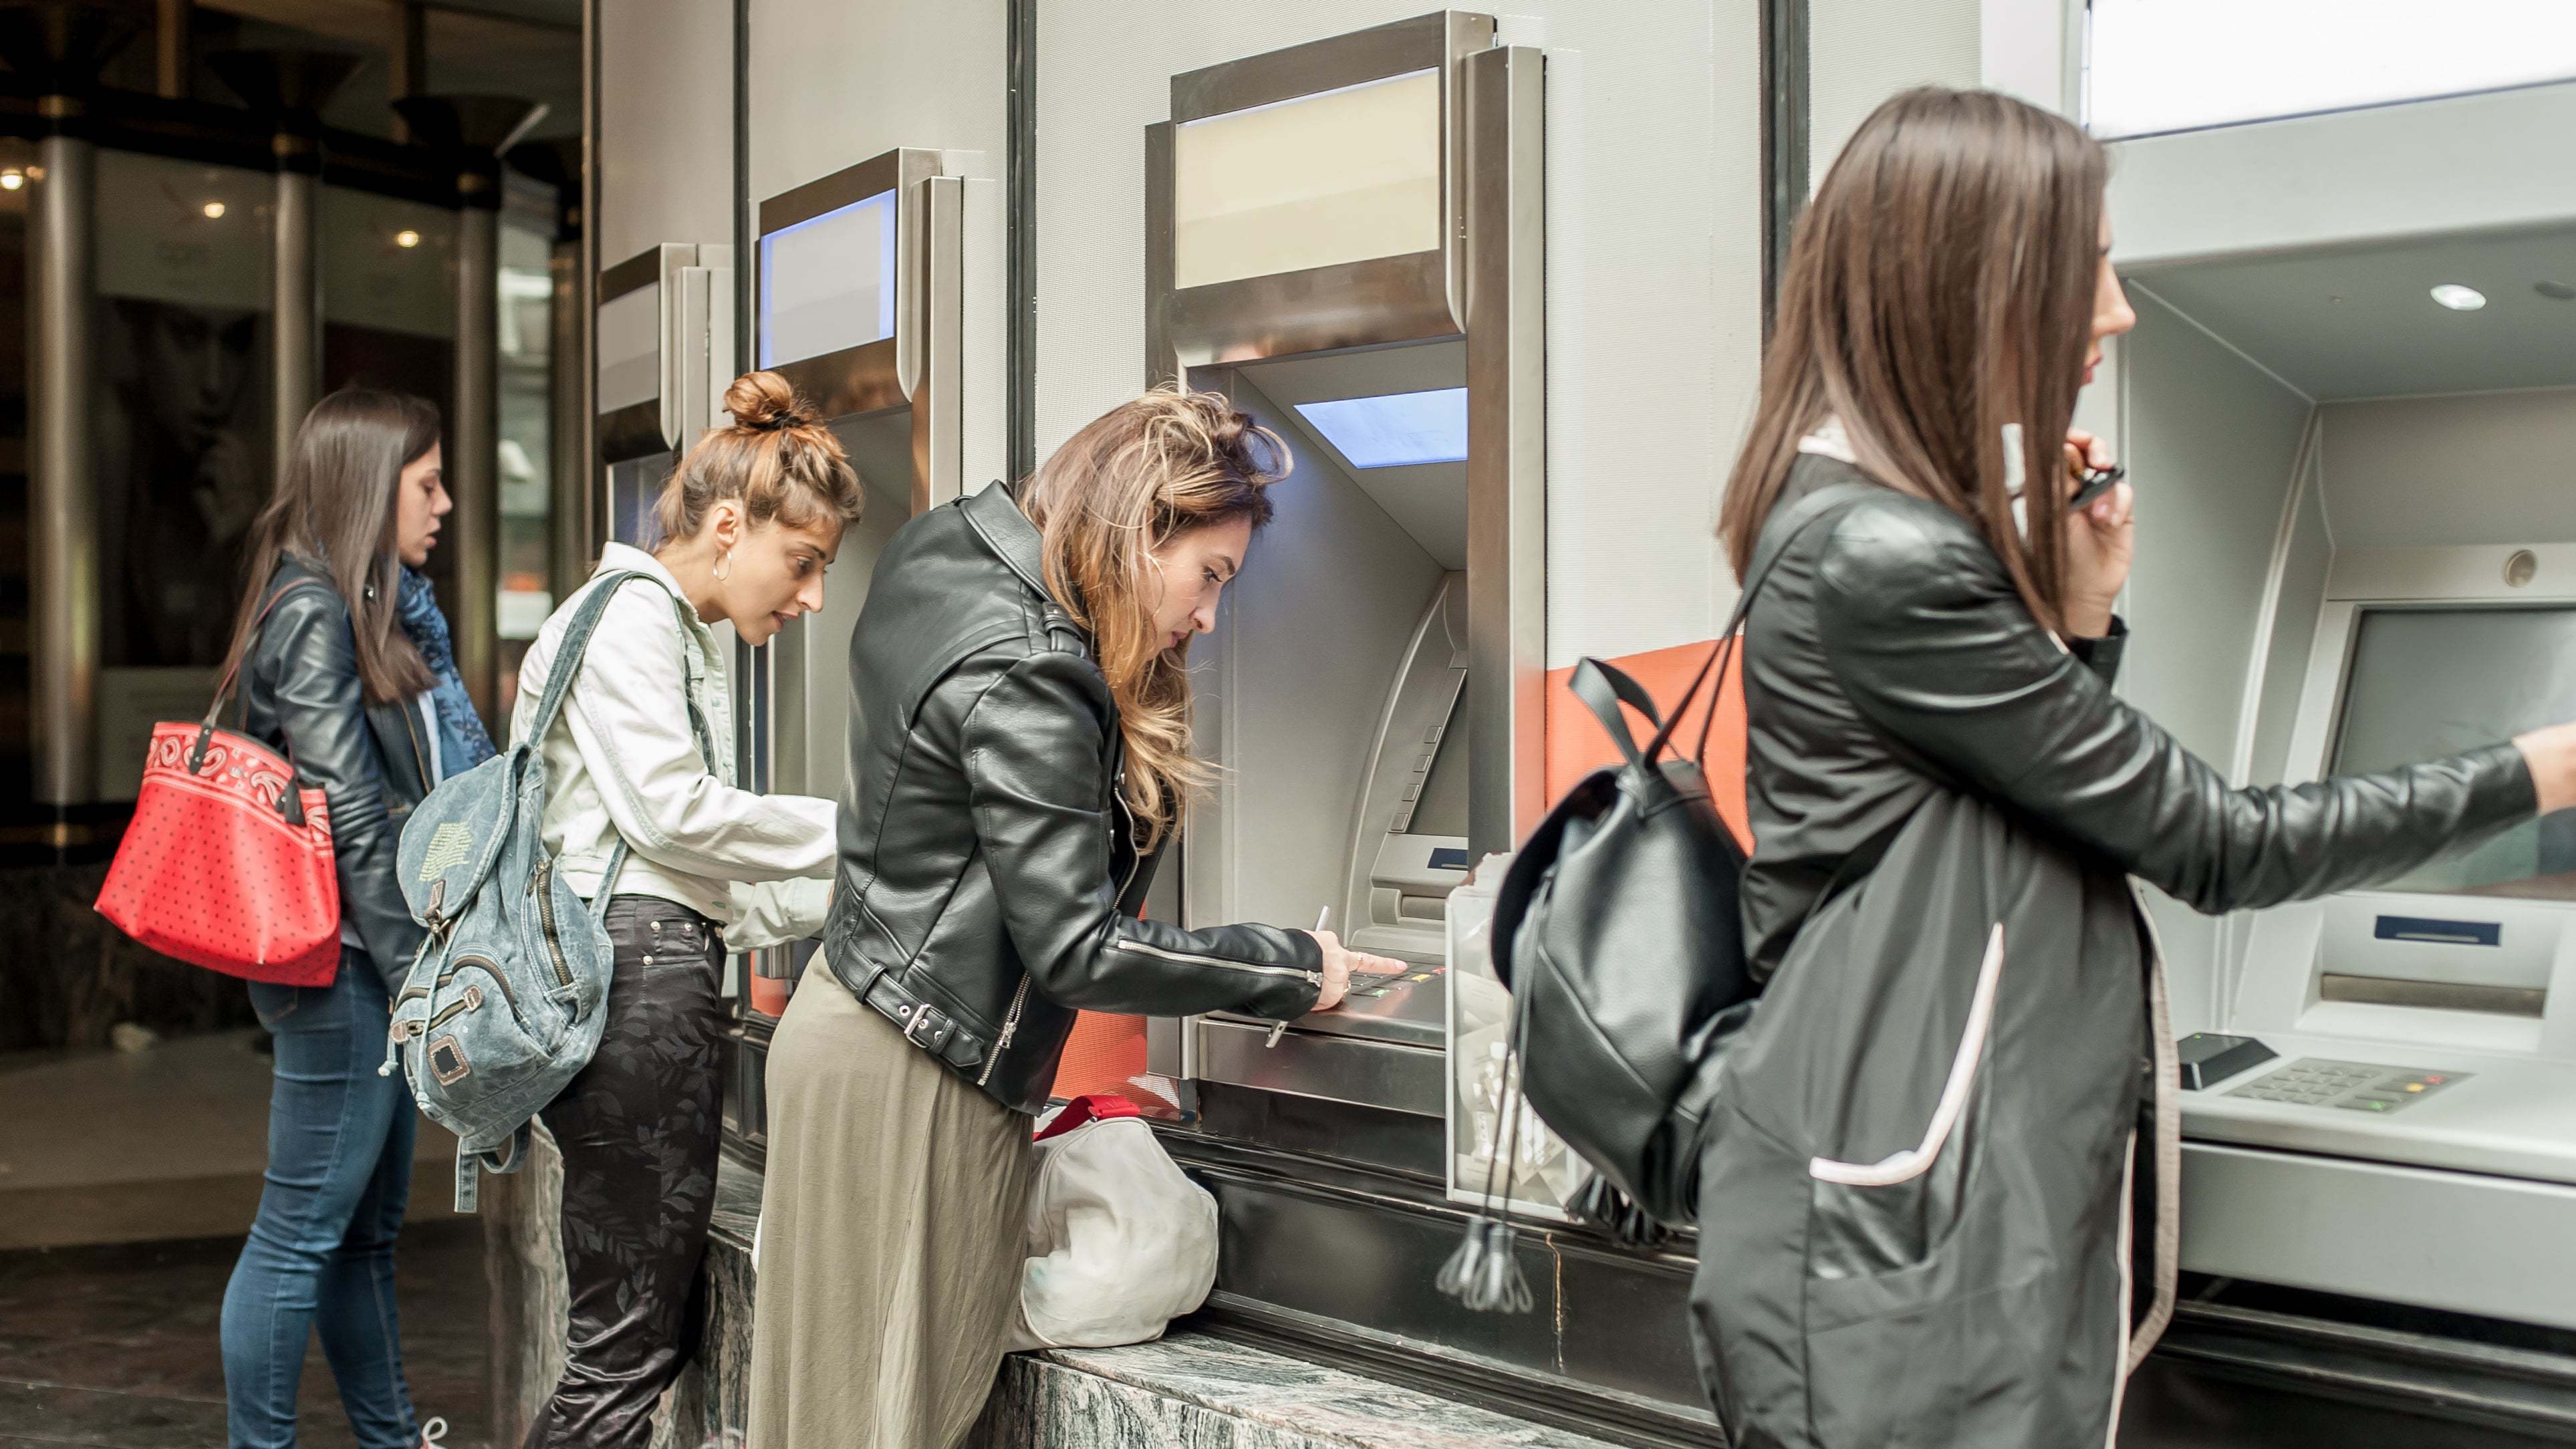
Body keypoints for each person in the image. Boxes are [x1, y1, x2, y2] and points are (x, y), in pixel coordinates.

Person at [1696, 87, 2576, 1448]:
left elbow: (1982, 811)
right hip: (1898, 1258)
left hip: (1887, 1223)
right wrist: (2546, 767)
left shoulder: (1836, 519)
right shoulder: (1887, 559)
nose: (2116, 311)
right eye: (2087, 267)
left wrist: (2078, 620)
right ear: (1985, 285)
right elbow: (2223, 844)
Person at [746, 387, 1407, 1449]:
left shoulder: (946, 549)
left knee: (823, 1409)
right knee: (883, 1417)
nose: (1205, 617)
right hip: (920, 1074)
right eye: (1210, 577)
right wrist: (1290, 967)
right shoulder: (1038, 671)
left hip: (853, 1018)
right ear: (1145, 527)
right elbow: (1076, 947)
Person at [515, 370, 863, 1449]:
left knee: (632, 1342)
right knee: (622, 1358)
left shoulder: (666, 627)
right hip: (635, 1006)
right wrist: (865, 833)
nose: (808, 599)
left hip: (641, 988)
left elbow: (674, 875)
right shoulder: (630, 619)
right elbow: (672, 820)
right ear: (726, 526)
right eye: (800, 564)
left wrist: (858, 885)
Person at [219, 388, 481, 1449]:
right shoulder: (313, 610)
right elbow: (351, 814)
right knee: (298, 1236)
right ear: (373, 487)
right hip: (342, 968)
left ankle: (386, 1439)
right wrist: (424, 965)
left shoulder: (356, 605)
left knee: (361, 1238)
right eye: (427, 482)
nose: (447, 503)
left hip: (360, 958)